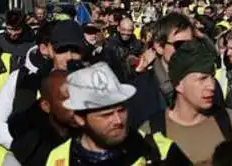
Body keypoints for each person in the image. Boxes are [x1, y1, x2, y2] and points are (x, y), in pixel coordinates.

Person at [45, 62, 190, 165]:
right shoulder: (59, 159)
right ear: (80, 118)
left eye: (121, 110)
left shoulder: (158, 151)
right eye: (106, 115)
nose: (118, 120)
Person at [140, 39, 232, 164]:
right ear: (179, 84)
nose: (211, 85)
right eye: (202, 79)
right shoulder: (151, 131)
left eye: (212, 77)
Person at [0, 20, 85, 148]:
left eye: (75, 50)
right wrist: (25, 146)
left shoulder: (95, 83)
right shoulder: (22, 79)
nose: (69, 57)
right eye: (62, 49)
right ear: (47, 49)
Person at [7, 70, 77, 166]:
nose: (76, 104)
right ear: (46, 106)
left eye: (78, 97)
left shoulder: (91, 140)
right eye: (66, 98)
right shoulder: (27, 151)